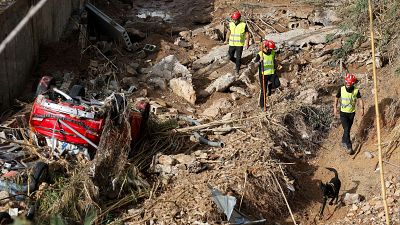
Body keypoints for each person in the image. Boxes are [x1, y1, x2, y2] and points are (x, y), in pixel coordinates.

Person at [333, 74, 364, 154]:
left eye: (349, 84)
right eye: (346, 83)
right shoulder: (341, 89)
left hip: (351, 113)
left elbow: (360, 99)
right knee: (346, 129)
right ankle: (349, 147)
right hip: (343, 113)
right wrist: (335, 108)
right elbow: (336, 98)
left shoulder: (356, 90)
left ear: (353, 84)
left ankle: (343, 141)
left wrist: (362, 108)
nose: (347, 85)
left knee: (348, 129)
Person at [254, 40, 279, 110]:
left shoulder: (273, 53)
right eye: (270, 49)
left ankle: (270, 86)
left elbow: (273, 60)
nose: (271, 50)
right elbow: (254, 65)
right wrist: (259, 61)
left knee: (277, 84)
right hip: (263, 75)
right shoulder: (260, 54)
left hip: (272, 73)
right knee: (263, 91)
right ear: (266, 47)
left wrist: (276, 65)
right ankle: (262, 106)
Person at [224, 11, 250, 75]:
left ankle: (237, 71)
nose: (235, 21)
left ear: (239, 18)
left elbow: (247, 34)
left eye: (236, 19)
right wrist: (226, 40)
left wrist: (247, 43)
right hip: (232, 44)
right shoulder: (231, 24)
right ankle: (238, 63)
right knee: (230, 57)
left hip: (239, 44)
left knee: (238, 57)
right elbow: (228, 32)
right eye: (234, 19)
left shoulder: (243, 25)